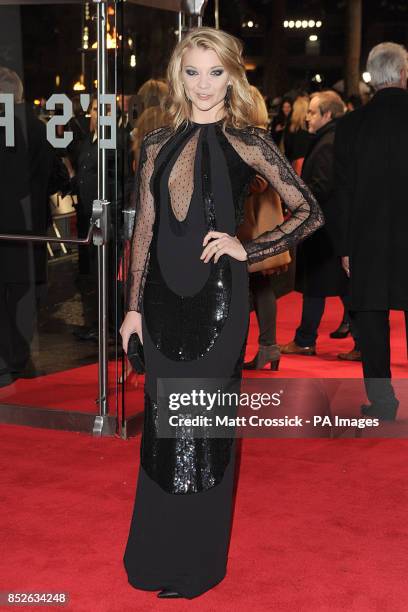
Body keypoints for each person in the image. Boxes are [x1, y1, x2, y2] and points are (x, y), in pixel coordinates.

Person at [120, 26, 323, 599]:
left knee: (203, 430)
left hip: (219, 301)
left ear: (232, 76)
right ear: (178, 77)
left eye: (215, 72)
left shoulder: (248, 140)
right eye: (192, 72)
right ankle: (156, 556)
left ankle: (197, 565)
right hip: (160, 303)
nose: (204, 85)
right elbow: (146, 230)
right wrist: (132, 310)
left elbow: (309, 211)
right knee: (163, 429)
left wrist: (249, 248)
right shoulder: (157, 143)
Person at [333, 42, 408, 421]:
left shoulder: (350, 125)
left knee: (372, 322)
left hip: (367, 238)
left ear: (372, 77)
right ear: (404, 73)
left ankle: (382, 401)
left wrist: (345, 247)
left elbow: (340, 192)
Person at [0, 67, 69, 386]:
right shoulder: (38, 129)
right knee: (25, 291)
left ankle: (11, 357)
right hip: (31, 225)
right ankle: (18, 355)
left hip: (8, 223)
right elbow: (56, 175)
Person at [281, 91, 360, 359]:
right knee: (339, 287)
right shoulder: (335, 137)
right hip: (333, 228)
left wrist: (298, 200)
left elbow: (322, 186)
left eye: (313, 112)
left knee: (321, 285)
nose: (307, 118)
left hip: (326, 228)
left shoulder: (329, 141)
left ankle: (305, 340)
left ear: (328, 114)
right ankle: (359, 343)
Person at [238, 86, 291, 371]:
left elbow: (259, 181)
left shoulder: (253, 139)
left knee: (247, 287)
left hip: (254, 226)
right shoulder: (262, 137)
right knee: (260, 285)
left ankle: (254, 349)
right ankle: (268, 348)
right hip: (261, 224)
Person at [283, 95, 312, 175]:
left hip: (294, 162)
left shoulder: (290, 125)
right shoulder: (311, 125)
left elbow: (287, 147)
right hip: (308, 163)